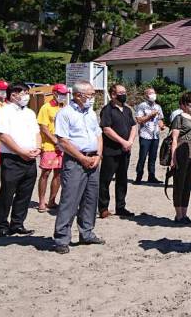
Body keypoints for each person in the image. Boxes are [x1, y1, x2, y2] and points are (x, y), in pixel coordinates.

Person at [52, 81, 105, 254]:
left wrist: (98, 155)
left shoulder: (90, 113)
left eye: (92, 95)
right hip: (75, 161)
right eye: (89, 95)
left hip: (93, 159)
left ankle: (86, 233)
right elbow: (63, 141)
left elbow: (98, 134)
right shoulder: (65, 113)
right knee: (70, 199)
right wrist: (81, 157)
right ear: (77, 95)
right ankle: (61, 238)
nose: (92, 98)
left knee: (90, 198)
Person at [0, 82, 41, 238]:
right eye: (24, 92)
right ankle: (0, 225)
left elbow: (37, 133)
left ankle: (17, 223)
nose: (26, 95)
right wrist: (21, 152)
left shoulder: (30, 113)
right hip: (12, 158)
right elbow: (3, 136)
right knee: (7, 192)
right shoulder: (4, 112)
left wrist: (38, 148)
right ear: (13, 95)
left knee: (25, 193)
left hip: (30, 157)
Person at [99, 83, 138, 218]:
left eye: (125, 92)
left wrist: (130, 142)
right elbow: (106, 129)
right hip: (111, 150)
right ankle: (103, 207)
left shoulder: (127, 110)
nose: (124, 95)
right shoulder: (107, 110)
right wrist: (122, 142)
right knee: (105, 180)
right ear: (113, 94)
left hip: (125, 151)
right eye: (121, 92)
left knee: (122, 179)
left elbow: (134, 126)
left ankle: (121, 207)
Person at [168, 91, 191, 224]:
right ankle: (178, 215)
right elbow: (175, 139)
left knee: (188, 184)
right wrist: (173, 158)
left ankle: (185, 213)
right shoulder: (179, 118)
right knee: (179, 184)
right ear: (184, 104)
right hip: (181, 151)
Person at [36, 83, 68, 213]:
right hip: (49, 146)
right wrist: (54, 140)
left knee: (59, 174)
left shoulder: (65, 107)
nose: (63, 96)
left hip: (62, 147)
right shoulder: (46, 107)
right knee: (46, 173)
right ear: (54, 93)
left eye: (65, 94)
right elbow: (43, 127)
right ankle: (41, 201)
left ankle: (52, 200)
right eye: (61, 94)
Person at [134, 87, 165, 184]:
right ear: (146, 95)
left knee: (153, 157)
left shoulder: (158, 107)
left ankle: (151, 176)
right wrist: (150, 116)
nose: (153, 95)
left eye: (154, 93)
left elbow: (160, 119)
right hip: (145, 135)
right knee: (142, 156)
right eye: (150, 93)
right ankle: (138, 177)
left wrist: (162, 125)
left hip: (155, 135)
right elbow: (139, 120)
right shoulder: (142, 106)